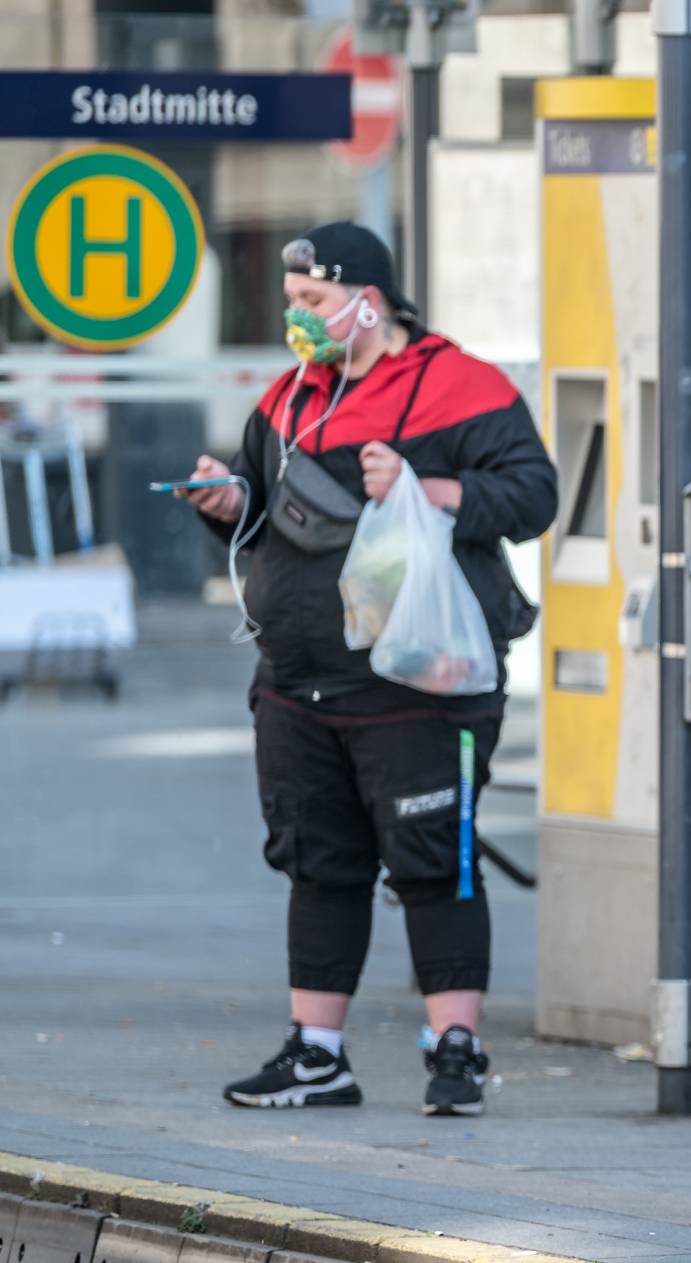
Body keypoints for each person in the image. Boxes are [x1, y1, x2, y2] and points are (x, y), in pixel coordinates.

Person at [178, 222, 556, 1118]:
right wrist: (227, 500)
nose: (296, 318)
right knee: (319, 864)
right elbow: (263, 510)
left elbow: (534, 495)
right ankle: (317, 1054)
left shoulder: (461, 386)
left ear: (368, 301)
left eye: (312, 302)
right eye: (293, 301)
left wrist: (429, 488)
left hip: (419, 686)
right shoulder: (287, 398)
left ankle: (455, 1050)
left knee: (437, 862)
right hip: (298, 684)